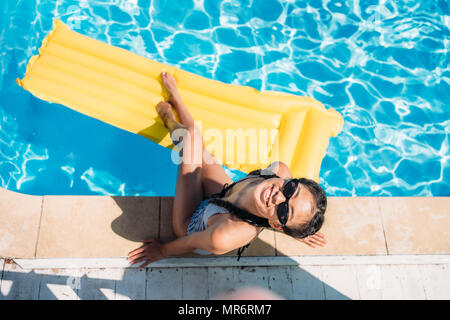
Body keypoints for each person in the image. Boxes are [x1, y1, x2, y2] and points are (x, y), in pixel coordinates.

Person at [127, 72, 327, 268]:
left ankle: (167, 117)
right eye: (291, 190)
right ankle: (176, 98)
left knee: (189, 140)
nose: (278, 197)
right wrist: (294, 227)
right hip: (223, 196)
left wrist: (162, 251)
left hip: (192, 224)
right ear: (293, 181)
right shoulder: (277, 171)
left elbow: (189, 243)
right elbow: (282, 203)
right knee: (196, 142)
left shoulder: (226, 235)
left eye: (284, 211)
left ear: (276, 224)